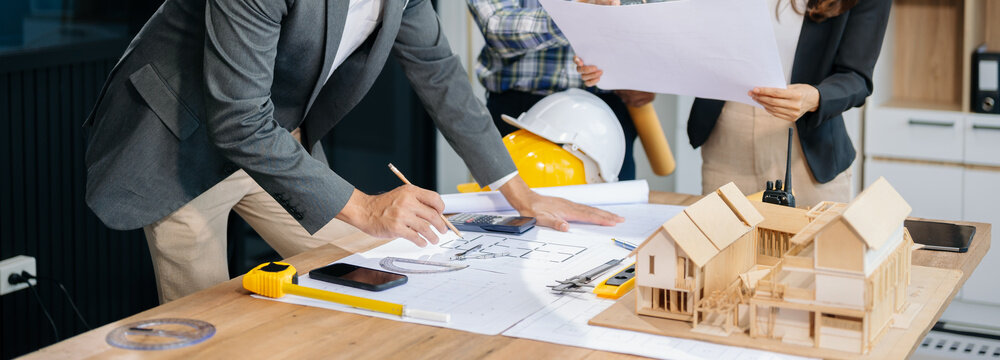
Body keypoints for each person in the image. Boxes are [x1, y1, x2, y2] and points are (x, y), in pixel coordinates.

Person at [84, 0, 623, 303]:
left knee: (360, 265)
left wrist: (520, 192)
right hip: (177, 136)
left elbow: (438, 72)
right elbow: (237, 120)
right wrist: (366, 206)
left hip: (271, 135)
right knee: (208, 324)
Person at [578, 0, 891, 207]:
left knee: (811, 264)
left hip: (807, 143)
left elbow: (856, 77)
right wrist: (630, 69)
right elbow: (684, 36)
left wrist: (815, 97)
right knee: (725, 264)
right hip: (727, 133)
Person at [467, 0, 655, 181]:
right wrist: (578, 14)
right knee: (516, 201)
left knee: (615, 202)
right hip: (522, 113)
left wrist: (648, 74)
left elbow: (656, 16)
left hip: (609, 115)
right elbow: (496, 27)